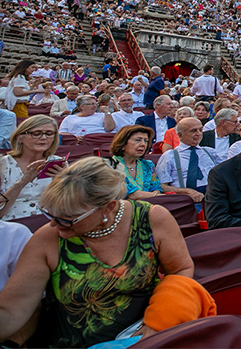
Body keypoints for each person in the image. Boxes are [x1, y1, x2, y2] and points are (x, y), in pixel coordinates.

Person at [0, 157, 193, 347]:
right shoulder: (49, 238)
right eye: (50, 213)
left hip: (142, 341)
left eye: (68, 219)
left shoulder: (150, 219)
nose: (53, 224)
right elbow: (12, 310)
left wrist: (160, 320)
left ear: (108, 208)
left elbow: (180, 269)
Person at [1, 116, 65, 220]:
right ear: (20, 137)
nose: (44, 138)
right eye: (36, 133)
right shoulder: (4, 165)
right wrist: (22, 182)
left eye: (49, 134)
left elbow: (69, 207)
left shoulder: (58, 163)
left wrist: (63, 183)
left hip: (50, 224)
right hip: (12, 224)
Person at [155, 118, 215, 203]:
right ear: (180, 135)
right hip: (186, 199)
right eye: (193, 131)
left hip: (213, 197)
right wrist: (186, 191)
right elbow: (162, 185)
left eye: (200, 130)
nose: (198, 134)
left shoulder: (210, 152)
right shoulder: (170, 156)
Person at [105, 125, 163, 200]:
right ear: (122, 144)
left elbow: (156, 188)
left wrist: (156, 194)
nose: (143, 144)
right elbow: (130, 194)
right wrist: (157, 196)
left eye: (146, 141)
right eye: (137, 140)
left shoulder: (148, 165)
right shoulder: (110, 165)